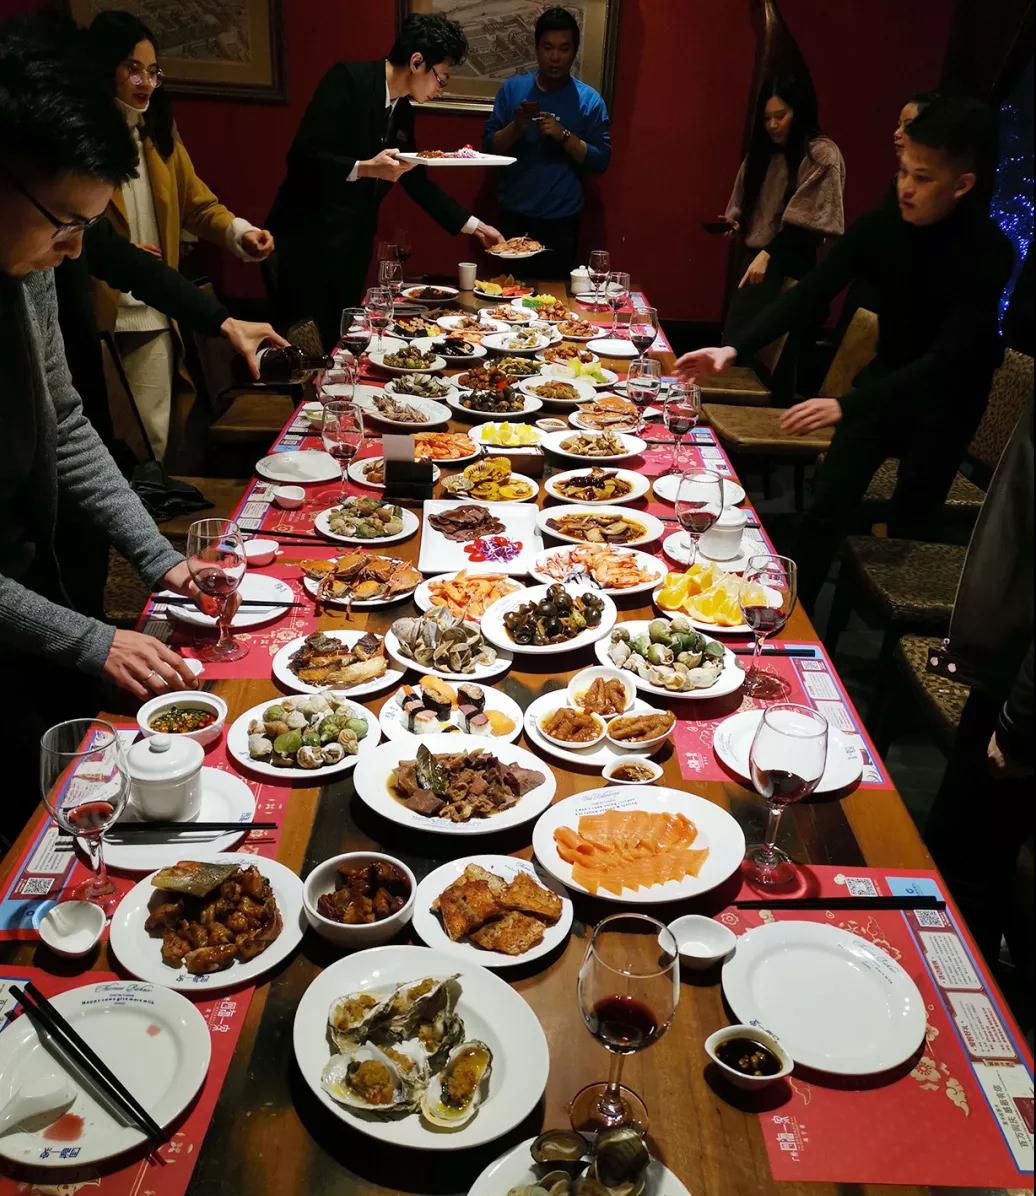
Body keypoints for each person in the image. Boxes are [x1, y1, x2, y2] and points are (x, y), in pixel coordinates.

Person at [676, 97, 1014, 611]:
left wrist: (845, 405)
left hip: (949, 397)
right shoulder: (883, 225)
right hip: (887, 377)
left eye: (922, 178)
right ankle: (787, 615)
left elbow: (947, 359)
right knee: (824, 510)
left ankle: (880, 640)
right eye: (903, 171)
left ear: (962, 184)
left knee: (911, 525)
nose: (905, 187)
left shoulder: (989, 251)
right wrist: (733, 347)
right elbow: (812, 291)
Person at [0, 12, 208, 834]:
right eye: (66, 222)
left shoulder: (26, 268)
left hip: (37, 592)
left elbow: (66, 422)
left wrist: (161, 561)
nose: (76, 249)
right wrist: (93, 640)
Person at [84, 11, 275, 466]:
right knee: (92, 443)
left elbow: (198, 205)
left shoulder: (157, 133)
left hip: (154, 309)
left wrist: (241, 231)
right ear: (104, 67)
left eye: (153, 71)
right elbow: (80, 230)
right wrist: (119, 251)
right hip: (95, 310)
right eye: (133, 69)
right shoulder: (79, 135)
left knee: (150, 442)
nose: (146, 82)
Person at [266, 13, 503, 350]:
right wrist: (365, 168)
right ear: (417, 62)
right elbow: (303, 158)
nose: (440, 89)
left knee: (340, 343)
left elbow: (416, 179)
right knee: (306, 350)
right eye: (441, 77)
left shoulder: (402, 109)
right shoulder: (348, 79)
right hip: (307, 242)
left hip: (351, 244)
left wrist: (474, 226)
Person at [925, 393, 1032, 971]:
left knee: (969, 860)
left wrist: (1019, 724)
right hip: (1008, 666)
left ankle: (960, 992)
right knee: (968, 851)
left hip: (1018, 684)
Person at [718, 73, 845, 350]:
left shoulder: (821, 154)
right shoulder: (762, 154)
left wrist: (769, 253)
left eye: (781, 116)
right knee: (734, 350)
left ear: (799, 112)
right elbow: (752, 208)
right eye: (767, 118)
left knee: (768, 357)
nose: (773, 125)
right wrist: (738, 223)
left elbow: (808, 224)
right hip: (756, 264)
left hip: (790, 264)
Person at [482, 6, 611, 277]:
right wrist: (516, 126)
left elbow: (600, 162)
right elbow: (488, 150)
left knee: (556, 299)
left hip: (562, 222)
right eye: (548, 47)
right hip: (512, 217)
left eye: (564, 49)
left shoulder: (589, 100)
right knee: (507, 295)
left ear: (574, 52)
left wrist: (564, 136)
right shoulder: (512, 90)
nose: (555, 57)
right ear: (537, 48)